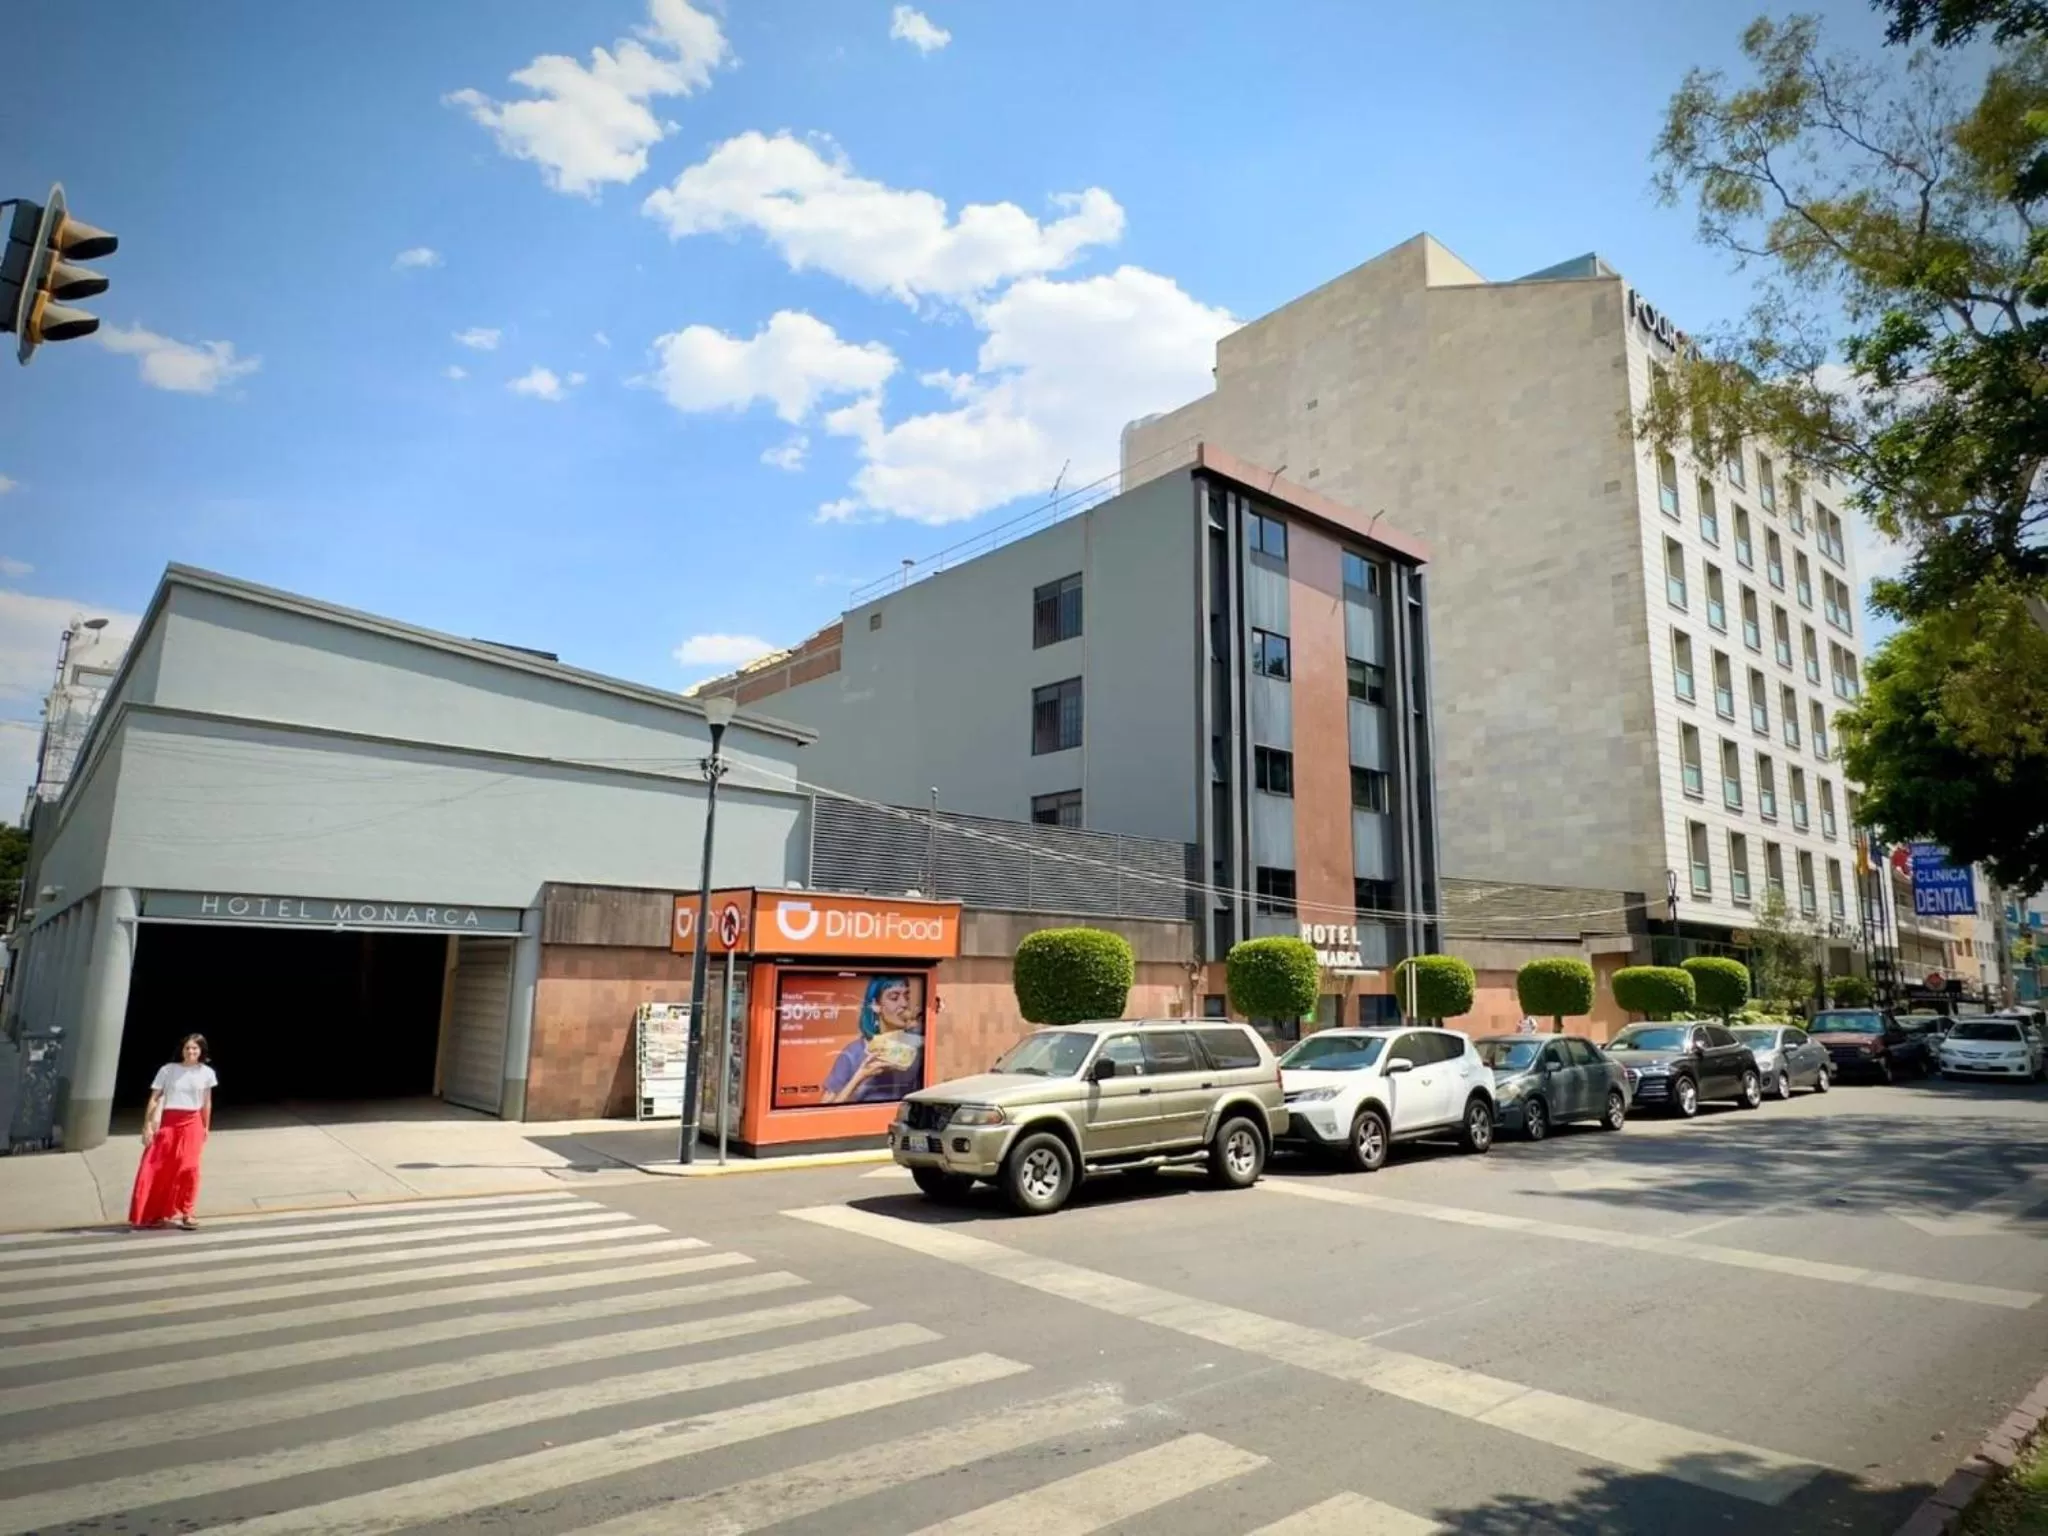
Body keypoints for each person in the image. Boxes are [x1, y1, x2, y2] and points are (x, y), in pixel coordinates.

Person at [129, 1034, 216, 1230]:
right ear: (182, 1050)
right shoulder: (167, 1070)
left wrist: (206, 1126)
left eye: (195, 1048)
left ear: (201, 1051)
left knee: (190, 1168)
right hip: (168, 1122)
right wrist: (147, 1125)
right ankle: (153, 1212)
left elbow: (206, 1102)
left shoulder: (207, 1073)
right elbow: (154, 1099)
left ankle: (188, 1212)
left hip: (192, 1122)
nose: (191, 1052)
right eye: (187, 1048)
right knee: (156, 1167)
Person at [819, 976, 925, 1104]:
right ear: (875, 1005)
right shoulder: (853, 1053)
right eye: (894, 998)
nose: (904, 1004)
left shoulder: (916, 1046)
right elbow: (826, 1110)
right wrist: (861, 1076)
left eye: (907, 997)